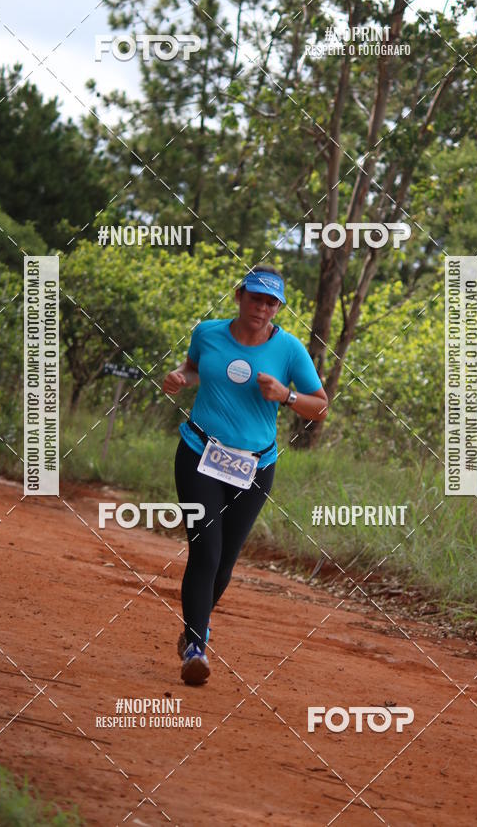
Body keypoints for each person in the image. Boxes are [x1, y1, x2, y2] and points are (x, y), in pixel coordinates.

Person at [161, 266, 328, 685]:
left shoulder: (289, 350)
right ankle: (197, 648)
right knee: (206, 551)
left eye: (272, 302)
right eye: (256, 298)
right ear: (239, 296)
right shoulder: (208, 332)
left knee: (225, 565)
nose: (262, 308)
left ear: (279, 307)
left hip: (255, 466)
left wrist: (287, 396)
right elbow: (196, 368)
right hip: (200, 453)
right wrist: (182, 378)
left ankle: (192, 629)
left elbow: (320, 406)